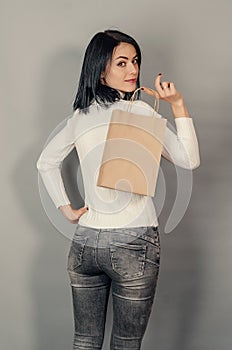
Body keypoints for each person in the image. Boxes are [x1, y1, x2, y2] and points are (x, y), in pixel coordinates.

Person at [36, 29, 200, 350]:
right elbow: (189, 160)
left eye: (135, 61)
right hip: (133, 242)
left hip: (85, 243)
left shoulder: (80, 117)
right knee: (125, 344)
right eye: (121, 63)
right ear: (101, 71)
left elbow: (45, 163)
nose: (133, 70)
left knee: (85, 341)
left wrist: (66, 209)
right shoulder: (141, 113)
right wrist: (178, 104)